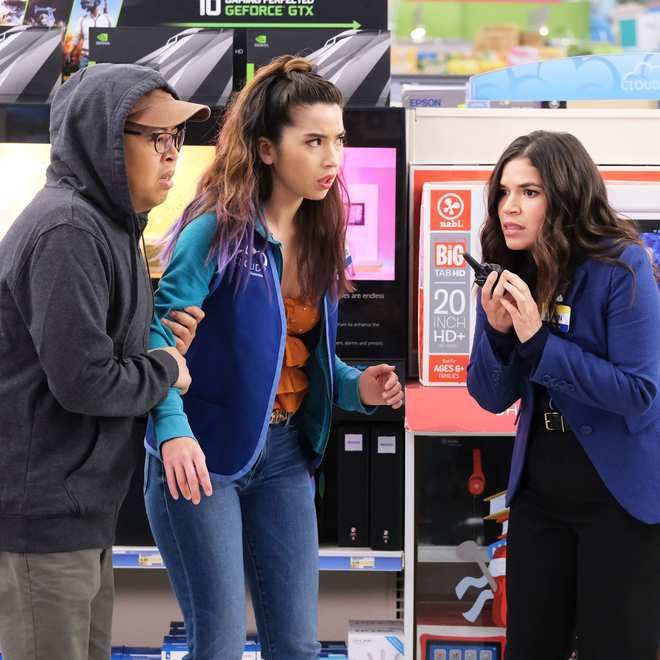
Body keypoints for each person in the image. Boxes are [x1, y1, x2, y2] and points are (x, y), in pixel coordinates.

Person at [144, 55, 404, 660]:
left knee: (296, 645)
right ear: (265, 149)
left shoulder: (320, 236)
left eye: (337, 140)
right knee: (221, 646)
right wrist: (174, 432)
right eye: (313, 141)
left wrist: (359, 386)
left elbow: (301, 364)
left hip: (286, 460)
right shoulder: (214, 231)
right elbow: (158, 340)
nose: (332, 158)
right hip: (201, 456)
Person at [0, 63, 210, 660]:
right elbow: (84, 382)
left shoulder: (112, 225)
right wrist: (166, 368)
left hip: (79, 513)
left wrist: (158, 342)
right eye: (156, 138)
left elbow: (96, 349)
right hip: (43, 524)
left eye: (178, 139)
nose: (172, 155)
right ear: (104, 140)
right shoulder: (67, 231)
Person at [466, 130, 660, 660]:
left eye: (529, 192)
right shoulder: (512, 263)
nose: (510, 208)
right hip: (540, 497)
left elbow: (638, 392)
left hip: (616, 500)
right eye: (504, 192)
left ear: (567, 194)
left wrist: (538, 340)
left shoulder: (623, 265)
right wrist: (500, 333)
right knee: (530, 645)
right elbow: (488, 394)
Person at [72, 0, 114, 68]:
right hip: (85, 57)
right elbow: (75, 38)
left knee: (100, 78)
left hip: (101, 58)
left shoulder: (107, 19)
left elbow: (113, 37)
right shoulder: (82, 19)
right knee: (84, 77)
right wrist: (69, 52)